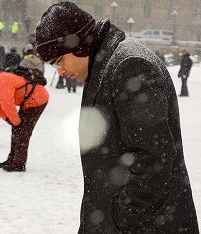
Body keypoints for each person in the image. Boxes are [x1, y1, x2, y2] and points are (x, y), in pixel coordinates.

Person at [35, 2, 199, 233]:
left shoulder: (129, 65)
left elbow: (154, 157)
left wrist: (122, 217)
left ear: (80, 45)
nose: (60, 71)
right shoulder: (106, 64)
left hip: (143, 225)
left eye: (59, 61)